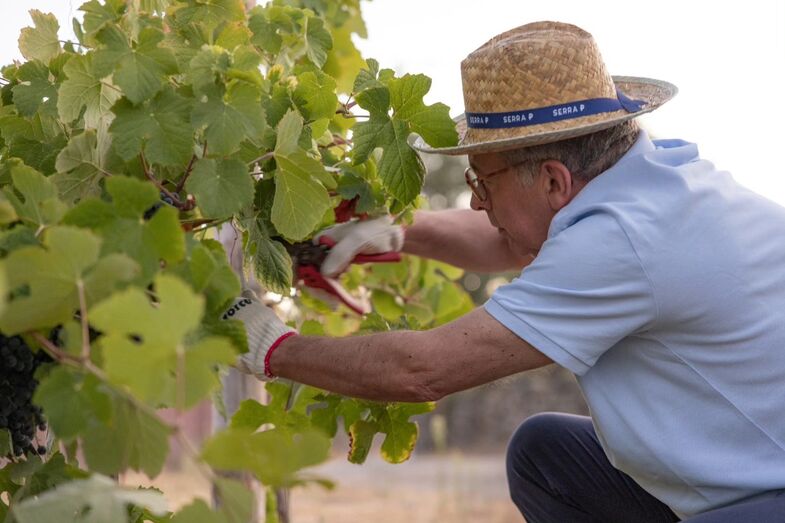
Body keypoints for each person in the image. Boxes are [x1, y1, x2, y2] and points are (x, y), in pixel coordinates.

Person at [225, 21, 785, 522]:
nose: (475, 204)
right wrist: (396, 234)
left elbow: (424, 370)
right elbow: (514, 242)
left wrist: (270, 346)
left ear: (552, 181)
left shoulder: (622, 244)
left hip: (770, 495)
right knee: (547, 454)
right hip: (754, 471)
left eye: (482, 183)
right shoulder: (655, 185)